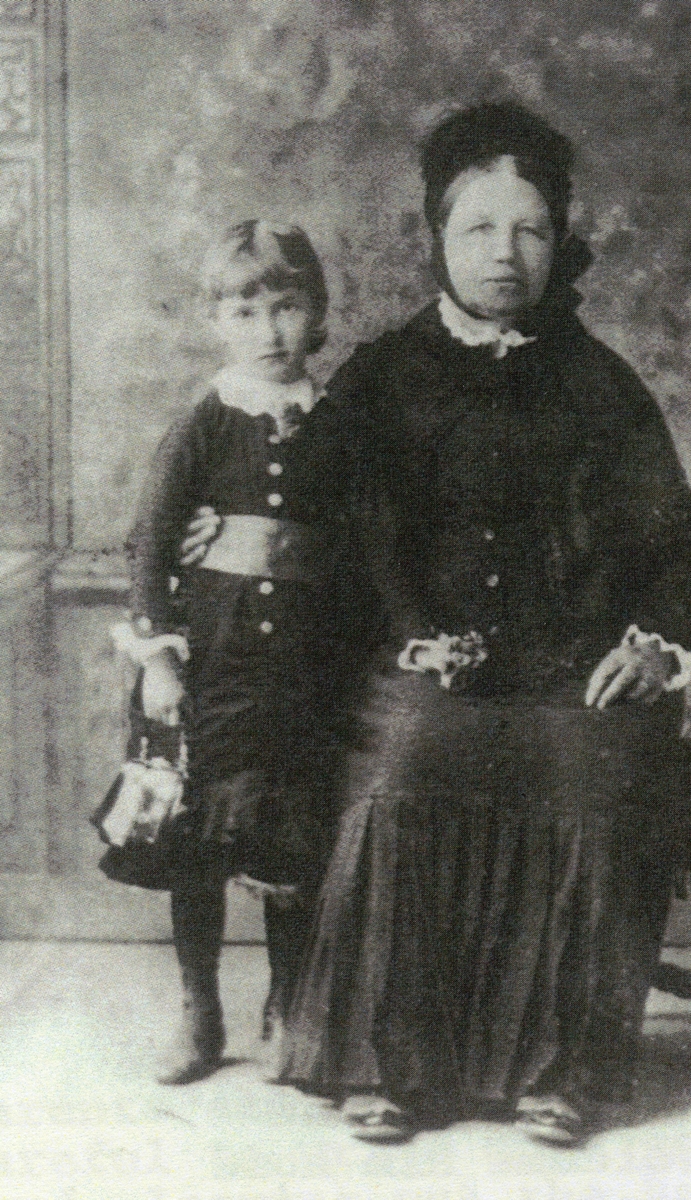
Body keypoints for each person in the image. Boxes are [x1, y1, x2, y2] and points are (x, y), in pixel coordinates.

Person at [266, 101, 691, 1146]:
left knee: (592, 769)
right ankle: (390, 1064)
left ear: (559, 241)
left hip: (572, 670)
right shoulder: (379, 379)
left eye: (529, 230)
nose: (505, 254)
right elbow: (312, 526)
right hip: (423, 662)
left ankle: (569, 1074)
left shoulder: (602, 385)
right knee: (413, 754)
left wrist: (652, 643)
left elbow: (676, 543)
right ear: (438, 237)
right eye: (479, 228)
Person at [113, 220, 359, 1085]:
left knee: (290, 840)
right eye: (245, 310)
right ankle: (200, 1008)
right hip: (211, 662)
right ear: (219, 320)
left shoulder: (336, 427)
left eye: (287, 308)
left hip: (301, 671)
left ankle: (287, 1001)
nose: (268, 331)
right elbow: (150, 542)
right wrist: (159, 661)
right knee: (198, 844)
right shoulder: (206, 422)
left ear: (317, 313)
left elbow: (368, 541)